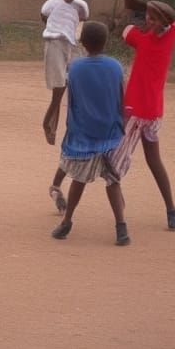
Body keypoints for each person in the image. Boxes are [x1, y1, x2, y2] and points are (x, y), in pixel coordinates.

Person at [108, 0, 175, 229]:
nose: (148, 20)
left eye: (153, 18)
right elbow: (137, 9)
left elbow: (127, 19)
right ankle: (171, 209)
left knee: (114, 163)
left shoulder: (139, 38)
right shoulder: (170, 34)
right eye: (147, 16)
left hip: (137, 110)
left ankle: (121, 216)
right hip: (153, 110)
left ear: (163, 23)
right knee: (152, 160)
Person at [49, 20, 129, 245]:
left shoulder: (74, 68)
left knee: (78, 180)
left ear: (83, 43)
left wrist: (69, 129)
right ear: (105, 42)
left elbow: (72, 101)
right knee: (113, 181)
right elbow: (121, 99)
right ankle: (121, 227)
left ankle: (67, 222)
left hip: (84, 135)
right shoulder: (115, 66)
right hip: (111, 133)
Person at [40, 0, 88, 147]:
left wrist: (76, 39)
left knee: (74, 85)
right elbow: (44, 17)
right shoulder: (51, 3)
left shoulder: (81, 5)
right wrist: (55, 30)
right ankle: (48, 123)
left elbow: (82, 22)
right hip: (55, 43)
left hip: (73, 46)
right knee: (59, 87)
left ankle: (70, 127)